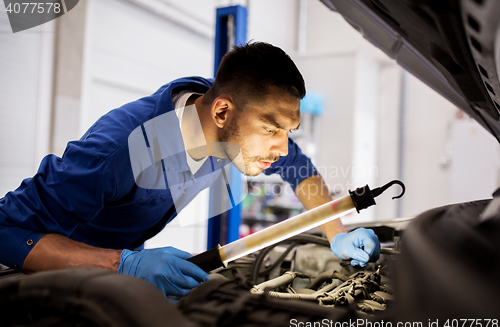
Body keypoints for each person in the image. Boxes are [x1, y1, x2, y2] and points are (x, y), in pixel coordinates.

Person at [0, 42, 380, 298]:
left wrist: (336, 233)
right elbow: (5, 232)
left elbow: (298, 167)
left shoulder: (220, 118)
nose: (282, 148)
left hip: (110, 280)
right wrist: (123, 263)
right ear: (221, 113)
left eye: (288, 131)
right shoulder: (117, 152)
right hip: (41, 287)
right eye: (271, 129)